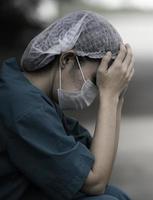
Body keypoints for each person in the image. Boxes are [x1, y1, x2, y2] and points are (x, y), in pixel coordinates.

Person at [0, 10, 134, 200]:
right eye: (97, 80)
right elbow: (95, 182)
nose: (99, 90)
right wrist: (109, 97)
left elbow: (94, 158)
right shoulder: (25, 110)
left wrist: (117, 97)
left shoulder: (35, 98)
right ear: (67, 60)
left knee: (116, 195)